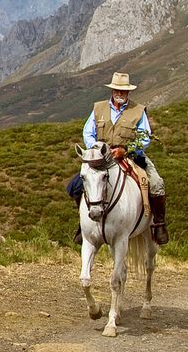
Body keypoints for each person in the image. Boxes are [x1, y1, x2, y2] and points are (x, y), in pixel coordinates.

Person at [68, 72, 169, 245]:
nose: (120, 94)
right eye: (117, 90)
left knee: (156, 184)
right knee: (76, 185)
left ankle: (159, 225)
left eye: (123, 91)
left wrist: (126, 149)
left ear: (128, 92)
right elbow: (88, 132)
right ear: (112, 91)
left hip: (131, 155)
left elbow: (145, 137)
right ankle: (83, 224)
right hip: (102, 156)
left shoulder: (138, 111)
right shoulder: (99, 108)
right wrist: (96, 148)